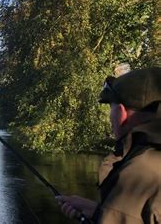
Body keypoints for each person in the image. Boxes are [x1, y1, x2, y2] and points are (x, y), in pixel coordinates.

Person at [56, 67, 161, 223]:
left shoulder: (140, 171)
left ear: (121, 111)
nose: (109, 117)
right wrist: (101, 212)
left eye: (110, 108)